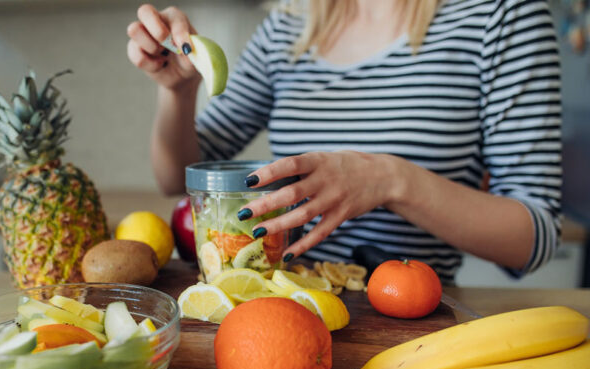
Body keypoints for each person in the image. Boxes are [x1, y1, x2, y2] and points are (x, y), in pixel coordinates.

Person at [127, 0, 562, 285]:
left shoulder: (502, 17)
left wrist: (390, 180)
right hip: (291, 305)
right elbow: (176, 175)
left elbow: (535, 237)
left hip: (406, 321)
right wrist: (177, 93)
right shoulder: (287, 28)